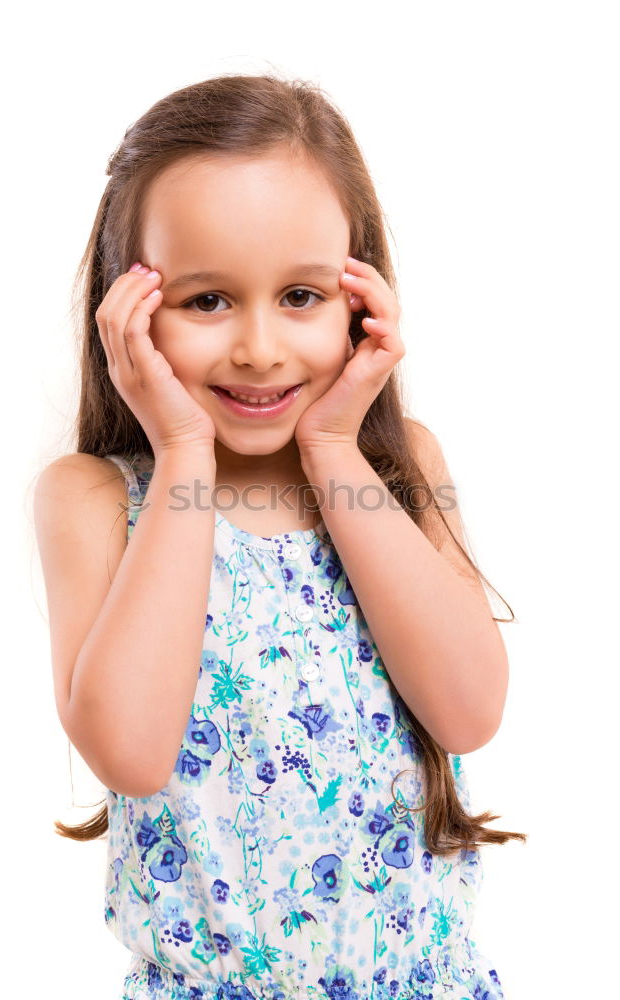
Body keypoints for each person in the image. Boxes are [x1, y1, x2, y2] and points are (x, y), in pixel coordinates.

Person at [34, 73, 527, 1000]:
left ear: (360, 297)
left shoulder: (400, 466)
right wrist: (182, 452)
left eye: (300, 295)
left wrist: (335, 446)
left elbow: (468, 711)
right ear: (125, 311)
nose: (259, 347)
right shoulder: (94, 498)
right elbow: (132, 754)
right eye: (207, 301)